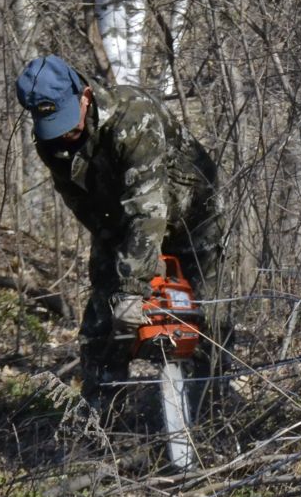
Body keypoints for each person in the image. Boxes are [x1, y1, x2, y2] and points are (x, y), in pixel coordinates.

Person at [14, 55, 227, 401]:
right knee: (101, 323)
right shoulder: (52, 146)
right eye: (51, 123)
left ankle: (212, 411)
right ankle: (102, 426)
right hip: (121, 223)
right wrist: (120, 271)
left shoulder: (134, 117)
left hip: (193, 216)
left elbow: (148, 207)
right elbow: (83, 205)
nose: (65, 132)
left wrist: (133, 287)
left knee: (206, 316)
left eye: (67, 118)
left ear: (84, 95)